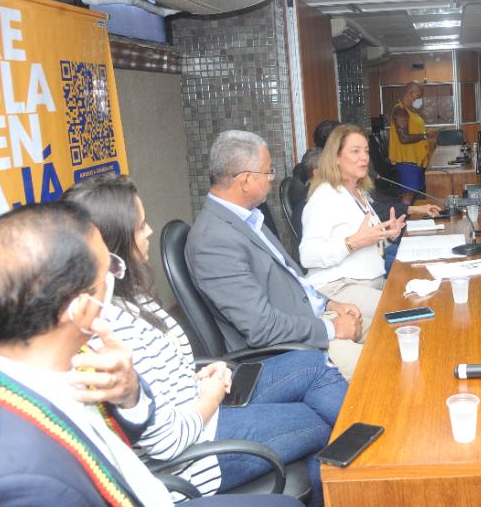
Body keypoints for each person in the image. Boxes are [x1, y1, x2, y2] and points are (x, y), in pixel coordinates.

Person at [0, 203, 301, 507]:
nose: (115, 277)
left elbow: (129, 432)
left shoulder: (55, 362)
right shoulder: (23, 479)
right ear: (78, 308)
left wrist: (131, 394)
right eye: (108, 270)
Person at [63, 176, 346, 506]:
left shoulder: (130, 296)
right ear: (112, 243)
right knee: (321, 422)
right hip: (198, 455)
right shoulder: (107, 329)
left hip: (202, 402)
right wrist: (210, 396)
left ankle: (368, 468)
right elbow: (167, 441)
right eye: (140, 227)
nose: (149, 231)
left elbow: (163, 380)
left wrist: (203, 375)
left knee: (314, 364)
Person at [186, 130, 366, 380]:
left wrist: (329, 303)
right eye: (268, 172)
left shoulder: (248, 217)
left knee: (392, 329)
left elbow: (291, 278)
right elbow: (261, 328)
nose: (272, 179)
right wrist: (332, 328)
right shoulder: (213, 241)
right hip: (293, 349)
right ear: (245, 180)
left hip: (310, 318)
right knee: (385, 368)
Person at [300, 124, 406, 324]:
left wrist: (388, 236)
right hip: (338, 289)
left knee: (418, 299)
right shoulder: (325, 196)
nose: (364, 157)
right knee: (403, 311)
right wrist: (352, 243)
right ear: (336, 158)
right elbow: (308, 256)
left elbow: (368, 244)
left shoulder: (358, 192)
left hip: (369, 283)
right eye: (355, 151)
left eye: (366, 151)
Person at [389, 82, 435, 205]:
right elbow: (404, 138)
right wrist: (425, 135)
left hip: (416, 160)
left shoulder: (412, 111)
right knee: (408, 194)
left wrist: (426, 133)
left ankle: (409, 215)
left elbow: (414, 131)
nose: (420, 99)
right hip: (407, 161)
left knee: (413, 192)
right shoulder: (400, 110)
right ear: (411, 93)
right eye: (419, 96)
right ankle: (403, 216)